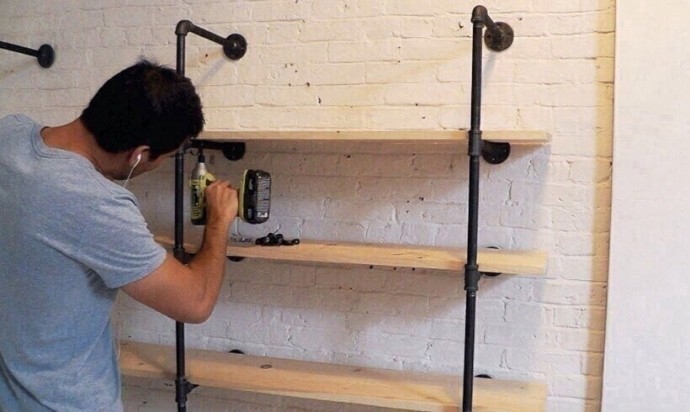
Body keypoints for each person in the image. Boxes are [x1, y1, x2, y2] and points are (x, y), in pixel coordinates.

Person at [0, 60, 238, 411]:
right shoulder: (97, 205)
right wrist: (218, 221)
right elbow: (196, 302)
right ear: (139, 155)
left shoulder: (10, 133)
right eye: (166, 157)